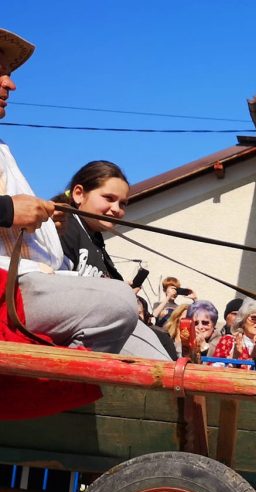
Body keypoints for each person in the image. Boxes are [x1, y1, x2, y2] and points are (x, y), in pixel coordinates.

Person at [0, 39, 172, 361]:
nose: (10, 83)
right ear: (79, 194)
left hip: (32, 284)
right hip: (9, 290)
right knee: (118, 301)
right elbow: (8, 212)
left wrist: (42, 224)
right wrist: (8, 209)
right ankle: (56, 388)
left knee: (159, 355)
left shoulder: (3, 147)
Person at [57, 161, 126, 280]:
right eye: (109, 198)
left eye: (123, 203)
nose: (116, 209)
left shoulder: (96, 240)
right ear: (79, 194)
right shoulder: (63, 225)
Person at [210, 299, 256, 367]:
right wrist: (234, 357)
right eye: (254, 318)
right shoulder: (229, 341)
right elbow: (213, 370)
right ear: (243, 321)